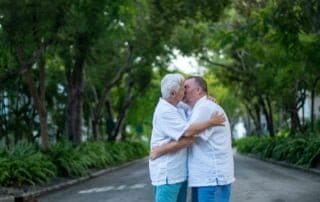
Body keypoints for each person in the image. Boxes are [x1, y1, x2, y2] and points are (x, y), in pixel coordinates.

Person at [151, 76, 235, 202]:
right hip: (201, 178)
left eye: (186, 87)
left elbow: (190, 135)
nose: (184, 91)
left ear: (198, 90)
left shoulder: (203, 107)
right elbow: (188, 131)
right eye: (182, 88)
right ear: (174, 93)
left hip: (212, 178)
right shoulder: (183, 108)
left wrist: (160, 150)